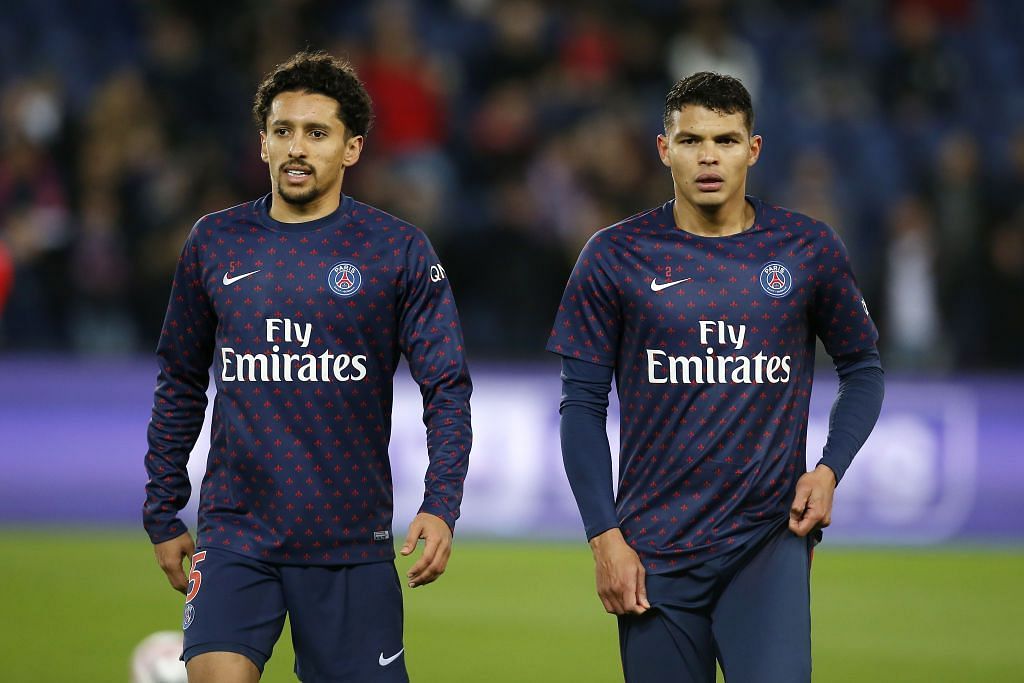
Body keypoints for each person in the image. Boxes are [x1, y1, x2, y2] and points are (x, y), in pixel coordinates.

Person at [143, 51, 472, 683]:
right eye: (283, 131)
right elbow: (180, 378)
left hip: (349, 539)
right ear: (262, 142)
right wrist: (163, 507)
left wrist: (441, 502)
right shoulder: (215, 242)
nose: (297, 148)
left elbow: (447, 388)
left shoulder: (396, 251)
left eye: (317, 133)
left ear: (351, 149)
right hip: (236, 532)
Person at [548, 72, 884, 683]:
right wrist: (604, 537)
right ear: (663, 149)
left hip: (767, 537)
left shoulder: (806, 249)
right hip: (653, 547)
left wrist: (829, 468)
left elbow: (863, 369)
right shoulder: (613, 256)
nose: (709, 156)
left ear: (753, 150)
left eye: (727, 140)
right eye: (692, 140)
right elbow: (580, 406)